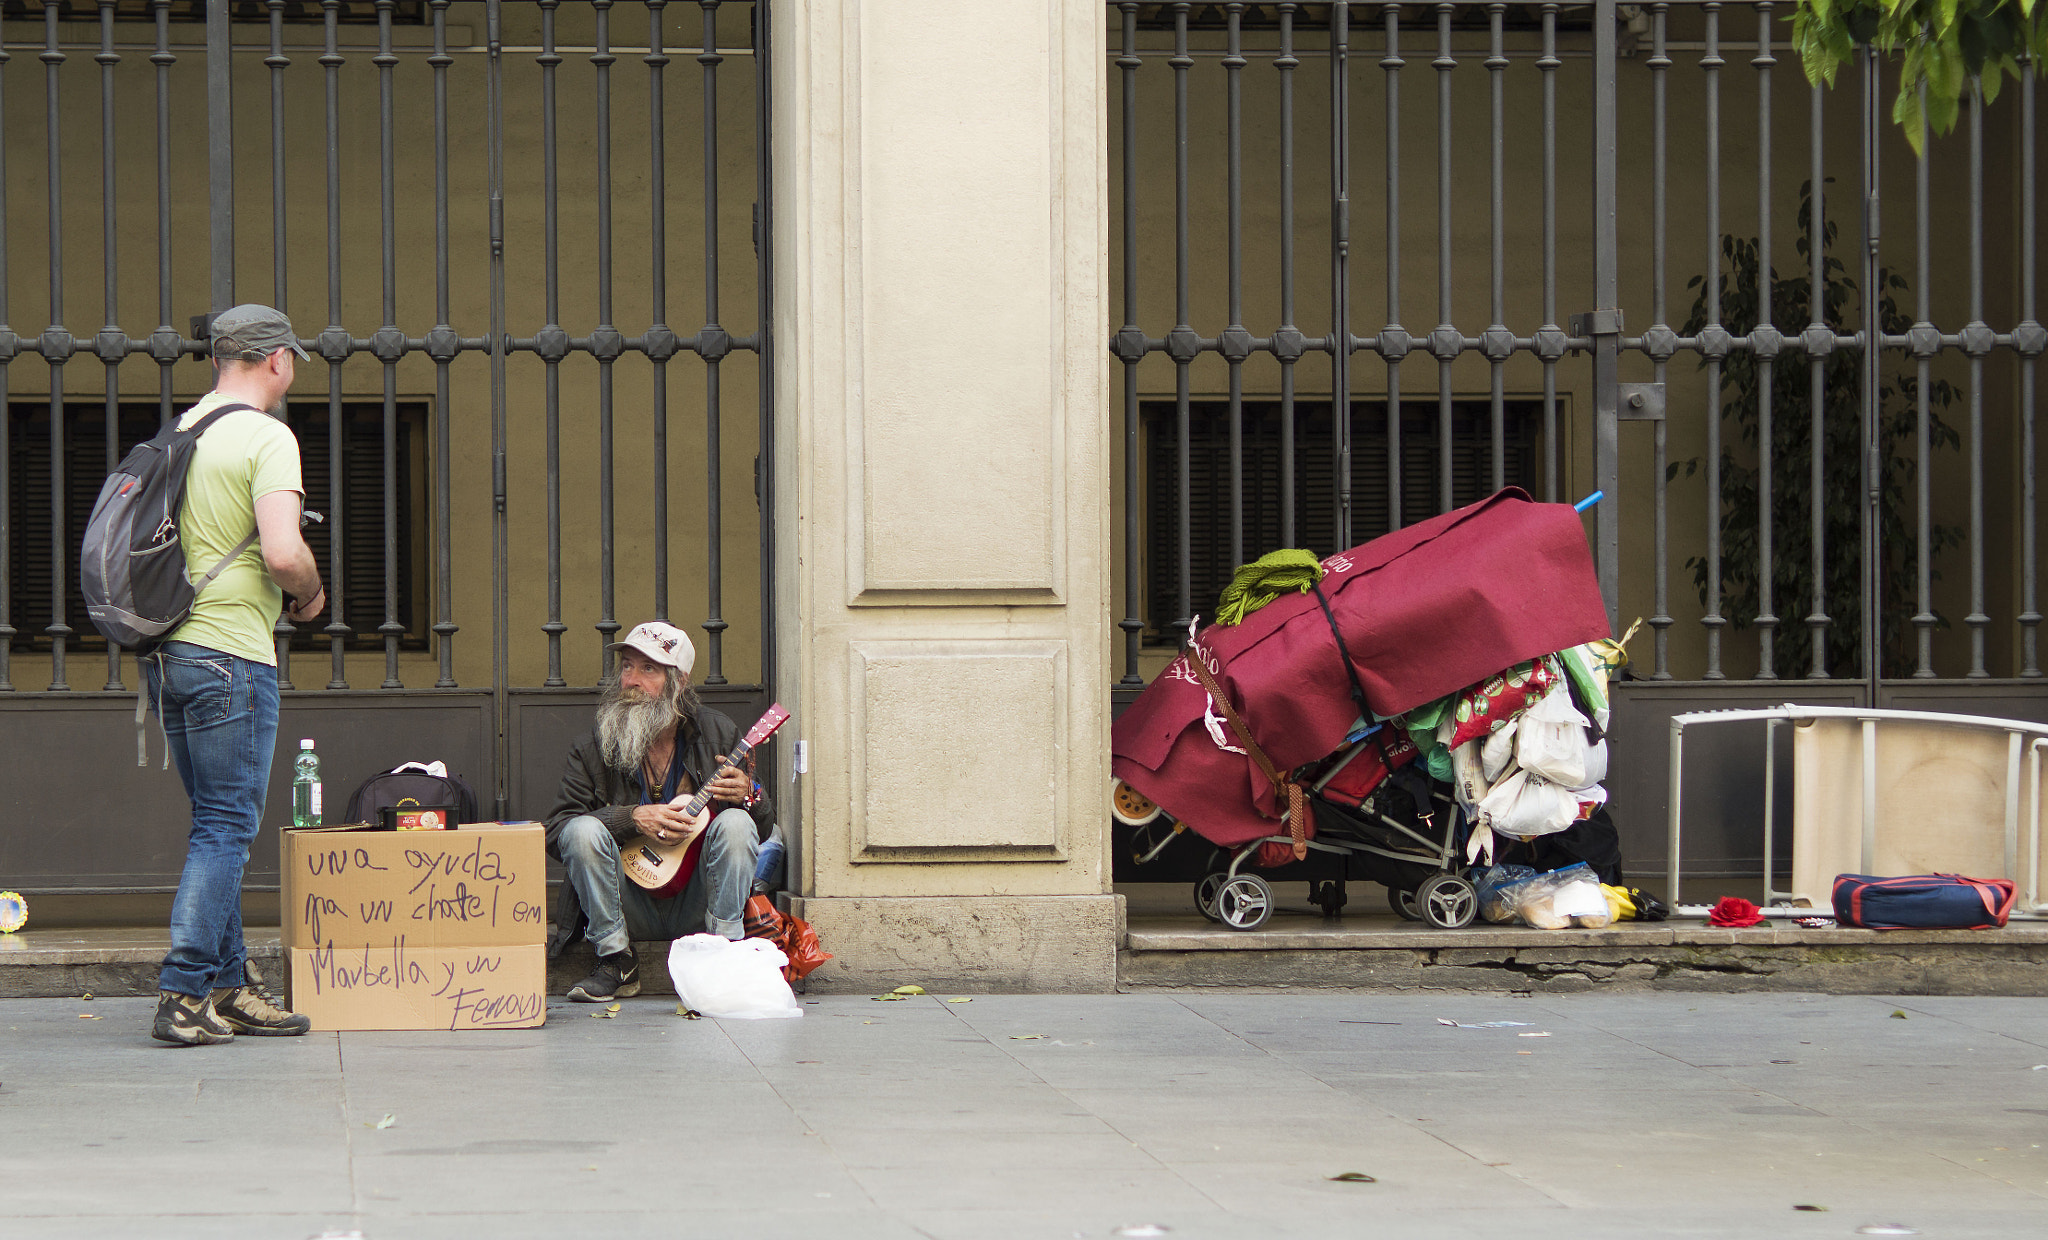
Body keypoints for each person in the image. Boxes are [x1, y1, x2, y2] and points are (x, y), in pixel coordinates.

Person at [146, 304, 326, 1047]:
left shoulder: (183, 431)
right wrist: (312, 593)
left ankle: (230, 986)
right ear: (277, 359)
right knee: (226, 828)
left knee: (213, 825)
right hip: (231, 653)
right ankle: (184, 993)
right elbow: (282, 553)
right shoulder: (266, 436)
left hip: (171, 654)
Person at [545, 621, 773, 1002]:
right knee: (582, 831)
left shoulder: (717, 733)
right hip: (625, 901)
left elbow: (761, 830)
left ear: (679, 682)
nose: (631, 680)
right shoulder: (594, 746)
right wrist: (632, 818)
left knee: (736, 823)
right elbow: (558, 832)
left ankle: (720, 957)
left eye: (648, 669)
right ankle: (617, 960)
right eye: (627, 666)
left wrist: (751, 795)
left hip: (698, 900)